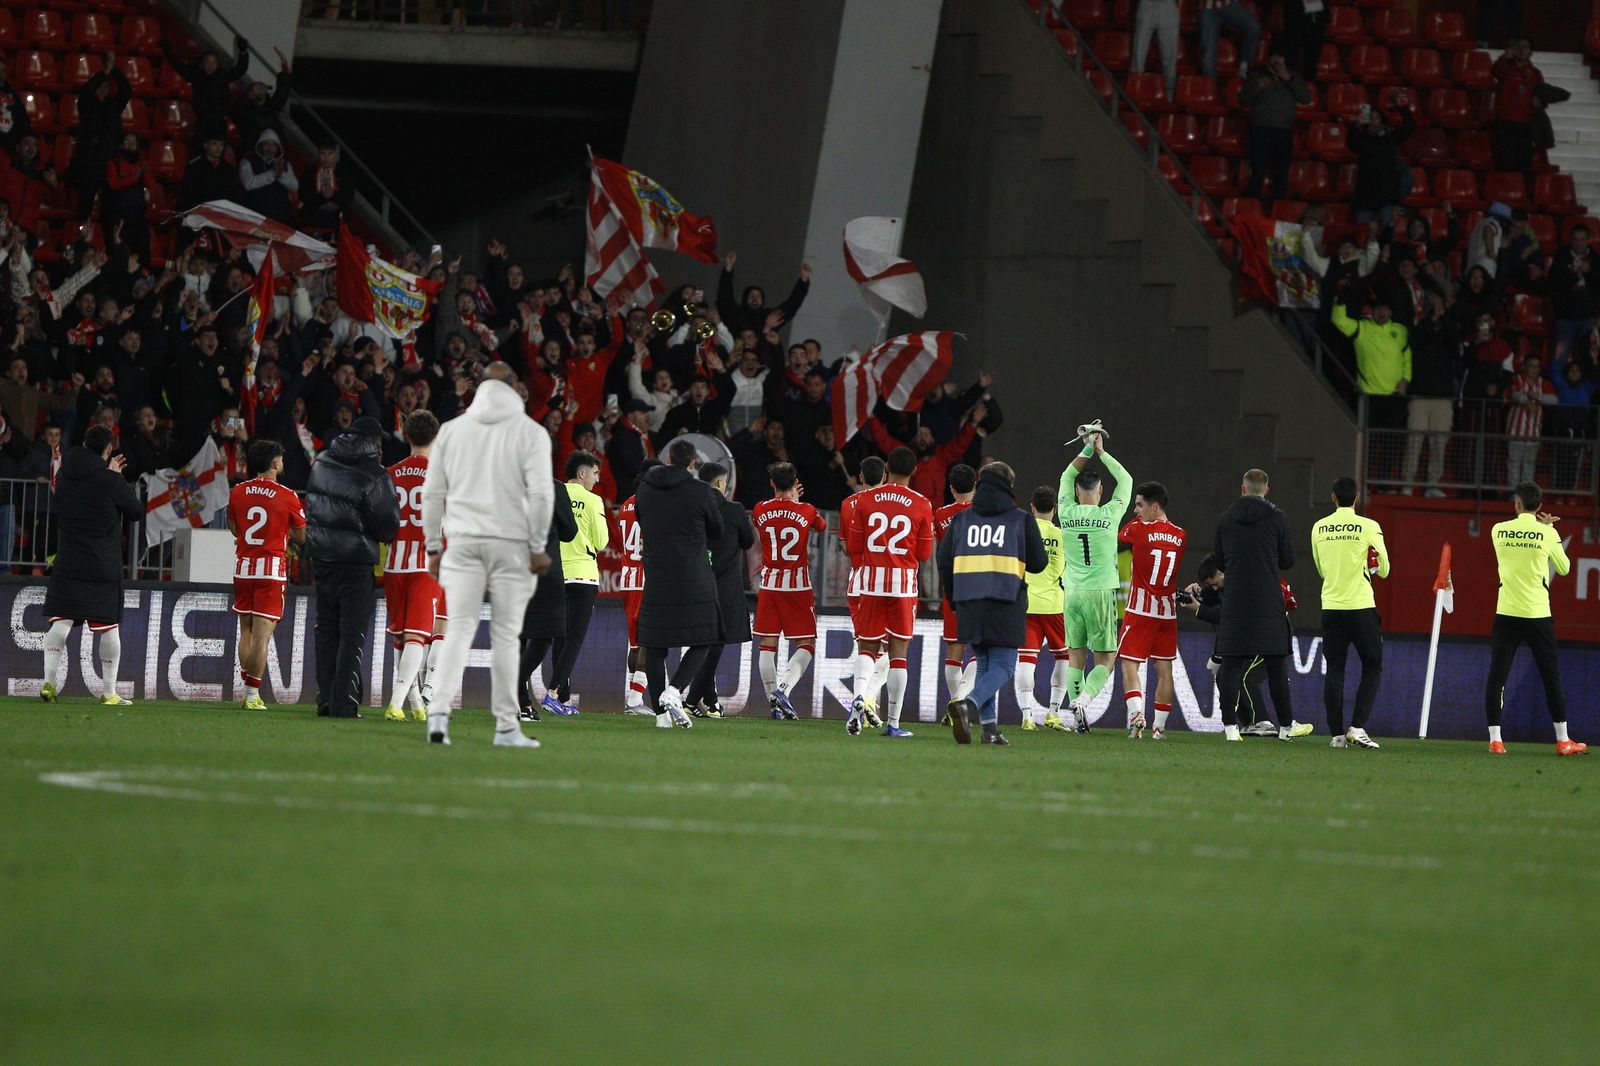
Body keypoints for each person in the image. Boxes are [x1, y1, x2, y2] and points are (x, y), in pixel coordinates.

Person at [421, 362, 554, 748]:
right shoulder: (531, 432)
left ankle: (439, 718)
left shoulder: (453, 430)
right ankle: (506, 727)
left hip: (462, 542)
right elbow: (542, 495)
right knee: (507, 636)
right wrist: (537, 545)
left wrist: (433, 546)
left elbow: (432, 494)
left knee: (458, 629)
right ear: (515, 387)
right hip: (511, 544)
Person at [939, 461, 1048, 746]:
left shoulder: (961, 520)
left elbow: (943, 559)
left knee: (985, 662)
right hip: (1005, 599)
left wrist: (954, 598)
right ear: (1008, 486)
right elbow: (1038, 563)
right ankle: (968, 704)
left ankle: (989, 730)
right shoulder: (1020, 519)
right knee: (1004, 665)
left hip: (968, 601)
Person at [305, 415, 399, 719]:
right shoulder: (375, 474)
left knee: (327, 629)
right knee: (351, 634)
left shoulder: (321, 462)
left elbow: (314, 507)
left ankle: (326, 699)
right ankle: (344, 702)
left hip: (322, 558)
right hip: (356, 563)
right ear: (373, 443)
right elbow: (387, 526)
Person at [38, 425, 141, 705]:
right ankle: (108, 692)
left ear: (83, 444)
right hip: (101, 565)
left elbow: (60, 502)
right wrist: (117, 479)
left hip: (69, 562)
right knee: (109, 628)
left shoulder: (64, 474)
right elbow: (135, 511)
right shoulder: (109, 479)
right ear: (108, 450)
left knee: (61, 622)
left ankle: (48, 682)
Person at [1484, 481, 1584, 755]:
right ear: (1540, 506)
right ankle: (1563, 741)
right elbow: (1563, 569)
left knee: (1498, 677)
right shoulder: (1547, 534)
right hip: (1538, 614)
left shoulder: (1498, 530)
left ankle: (1495, 740)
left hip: (1506, 612)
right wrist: (1549, 530)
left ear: (1517, 503)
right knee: (1551, 676)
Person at [1214, 468, 1313, 742]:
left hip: (1235, 603)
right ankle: (1284, 729)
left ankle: (1231, 729)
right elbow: (1288, 560)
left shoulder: (1225, 520)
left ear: (1242, 488)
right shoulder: (1277, 518)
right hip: (1268, 602)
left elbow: (1220, 562)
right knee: (1276, 667)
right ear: (1266, 490)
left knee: (1232, 666)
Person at [634, 438, 725, 728]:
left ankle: (662, 716)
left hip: (657, 576)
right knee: (707, 636)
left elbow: (641, 519)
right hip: (693, 576)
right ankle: (674, 691)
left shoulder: (645, 490)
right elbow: (718, 530)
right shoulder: (700, 492)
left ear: (668, 457)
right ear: (692, 463)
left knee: (655, 644)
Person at [845, 446, 935, 738]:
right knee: (898, 655)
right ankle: (894, 723)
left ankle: (858, 696)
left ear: (886, 468)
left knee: (867, 648)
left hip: (870, 583)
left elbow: (855, 547)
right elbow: (924, 553)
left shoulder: (865, 500)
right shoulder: (922, 503)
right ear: (914, 471)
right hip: (903, 586)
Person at [1055, 428, 1130, 733]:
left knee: (1076, 656)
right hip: (1100, 593)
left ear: (1075, 492)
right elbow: (1125, 480)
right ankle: (1083, 701)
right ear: (1100, 493)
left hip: (1071, 591)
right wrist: (1100, 450)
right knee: (1106, 657)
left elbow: (1064, 475)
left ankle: (1077, 719)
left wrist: (1085, 450)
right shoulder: (1111, 513)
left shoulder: (1065, 511)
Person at [227, 439, 306, 711]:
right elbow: (302, 535)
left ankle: (246, 685)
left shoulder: (237, 491)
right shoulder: (287, 495)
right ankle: (252, 695)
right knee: (263, 635)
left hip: (243, 568)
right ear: (275, 463)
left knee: (246, 631)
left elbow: (233, 527)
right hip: (271, 571)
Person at [1312, 477, 1390, 749]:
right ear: (1357, 497)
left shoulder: (1319, 527)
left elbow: (1321, 569)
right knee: (1372, 665)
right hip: (1360, 606)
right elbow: (1385, 568)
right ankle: (1357, 727)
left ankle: (1335, 735)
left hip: (1331, 606)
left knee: (1335, 668)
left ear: (1332, 497)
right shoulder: (1369, 526)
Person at [380, 411, 445, 723]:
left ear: (406, 436)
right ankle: (395, 703)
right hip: (425, 565)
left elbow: (380, 519)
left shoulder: (389, 474)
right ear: (436, 438)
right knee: (418, 637)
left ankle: (416, 704)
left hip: (394, 564)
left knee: (401, 636)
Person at [752, 461, 827, 719]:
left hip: (769, 585)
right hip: (797, 586)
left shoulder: (760, 509)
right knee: (807, 643)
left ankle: (774, 703)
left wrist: (787, 500)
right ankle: (783, 690)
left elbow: (765, 519)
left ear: (772, 483)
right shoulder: (806, 510)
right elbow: (822, 526)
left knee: (767, 645)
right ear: (795, 483)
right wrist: (795, 501)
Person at [1116, 481, 1187, 740]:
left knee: (1129, 665)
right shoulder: (1181, 535)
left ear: (1154, 506)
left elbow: (1118, 537)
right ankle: (1159, 728)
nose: (1136, 511)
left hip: (1140, 610)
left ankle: (1136, 715)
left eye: (1140, 505)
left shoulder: (1138, 529)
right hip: (1167, 613)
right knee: (1164, 670)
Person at [685, 462, 755, 717]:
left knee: (703, 642)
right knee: (715, 644)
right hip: (725, 588)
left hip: (695, 583)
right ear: (719, 484)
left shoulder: (692, 509)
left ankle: (710, 699)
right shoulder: (734, 510)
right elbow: (748, 542)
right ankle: (691, 699)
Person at [545, 450, 609, 715]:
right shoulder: (592, 500)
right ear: (582, 473)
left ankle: (564, 698)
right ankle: (551, 693)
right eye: (595, 473)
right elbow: (602, 542)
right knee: (574, 640)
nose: (597, 478)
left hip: (555, 572)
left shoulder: (553, 495)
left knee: (560, 636)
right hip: (583, 575)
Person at [517, 480, 578, 723]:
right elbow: (569, 531)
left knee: (517, 637)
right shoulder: (553, 487)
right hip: (544, 570)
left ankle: (520, 703)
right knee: (545, 635)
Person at [840, 455, 888, 729]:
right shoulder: (893, 505)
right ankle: (868, 698)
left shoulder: (849, 504)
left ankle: (864, 700)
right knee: (889, 650)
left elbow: (848, 548)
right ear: (884, 476)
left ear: (860, 477)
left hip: (858, 581)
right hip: (885, 584)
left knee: (865, 645)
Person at [1017, 487, 1070, 732]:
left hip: (1026, 603)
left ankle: (1027, 717)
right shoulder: (1063, 535)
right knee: (1063, 657)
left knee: (1027, 660)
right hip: (1054, 604)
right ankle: (1053, 713)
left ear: (1032, 506)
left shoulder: (1022, 531)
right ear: (1055, 509)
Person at [1402, 292, 1458, 497]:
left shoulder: (1449, 325)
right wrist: (1431, 318)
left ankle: (1433, 484)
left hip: (1442, 397)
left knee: (1439, 442)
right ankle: (1408, 482)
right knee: (1414, 440)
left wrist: (1442, 316)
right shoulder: (1421, 325)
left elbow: (1454, 342)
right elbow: (1416, 340)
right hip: (1419, 395)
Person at [614, 458, 658, 715]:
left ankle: (636, 696)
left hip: (627, 577)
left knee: (635, 643)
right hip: (646, 577)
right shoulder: (651, 504)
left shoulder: (627, 504)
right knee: (649, 641)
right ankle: (634, 700)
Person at [1240, 55, 1311, 207]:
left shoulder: (1293, 76)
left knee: (1281, 174)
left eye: (1281, 58)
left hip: (1283, 131)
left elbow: (1306, 98)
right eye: (1275, 58)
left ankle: (1279, 211)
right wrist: (1257, 87)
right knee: (1257, 171)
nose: (1278, 61)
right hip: (1260, 130)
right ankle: (1252, 209)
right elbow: (1243, 99)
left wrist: (1288, 78)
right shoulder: (1256, 75)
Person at [933, 464, 977, 707]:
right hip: (981, 587)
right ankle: (960, 700)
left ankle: (955, 703)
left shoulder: (940, 515)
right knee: (983, 650)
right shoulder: (985, 514)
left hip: (953, 588)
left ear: (951, 488)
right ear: (975, 484)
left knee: (954, 652)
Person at [1331, 298, 1411, 429]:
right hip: (1369, 397)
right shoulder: (1362, 328)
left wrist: (1406, 379)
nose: (1380, 312)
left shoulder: (1401, 330)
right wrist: (1340, 302)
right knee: (1367, 439)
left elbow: (1407, 357)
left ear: (1390, 311)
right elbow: (1339, 321)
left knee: (1391, 442)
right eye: (1377, 309)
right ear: (1372, 312)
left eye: (1384, 308)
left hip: (1394, 396)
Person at [1349, 104, 1416, 228]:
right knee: (1362, 234)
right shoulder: (1362, 139)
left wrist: (1402, 108)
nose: (1373, 120)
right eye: (1371, 117)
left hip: (1387, 195)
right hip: (1365, 195)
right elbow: (1351, 143)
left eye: (1376, 117)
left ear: (1381, 120)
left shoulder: (1390, 138)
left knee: (1387, 233)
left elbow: (1409, 127)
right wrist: (1353, 126)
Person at [1490, 37, 1542, 180]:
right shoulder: (1505, 67)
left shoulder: (1535, 73)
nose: (1521, 49)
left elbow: (1540, 94)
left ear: (1531, 52)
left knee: (1523, 164)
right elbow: (1495, 71)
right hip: (1505, 122)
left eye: (1525, 47)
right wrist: (1504, 57)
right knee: (1503, 162)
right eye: (1517, 46)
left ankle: (1519, 195)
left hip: (1525, 124)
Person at [1546, 224, 1599, 364]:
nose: (1578, 243)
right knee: (1559, 358)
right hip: (1565, 317)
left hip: (1588, 318)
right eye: (1575, 239)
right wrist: (1574, 275)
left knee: (1590, 359)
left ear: (1588, 240)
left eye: (1582, 239)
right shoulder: (1561, 256)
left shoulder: (1596, 258)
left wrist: (1589, 273)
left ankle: (1587, 386)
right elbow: (1552, 285)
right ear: (1571, 240)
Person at [1505, 353, 1556, 487]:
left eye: (1537, 367)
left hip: (1534, 432)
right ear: (1525, 367)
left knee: (1529, 464)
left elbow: (1554, 400)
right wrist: (1526, 401)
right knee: (1514, 462)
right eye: (1531, 366)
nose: (1534, 369)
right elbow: (1515, 394)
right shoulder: (1518, 380)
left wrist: (1537, 396)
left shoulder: (1543, 383)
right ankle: (1512, 491)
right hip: (1516, 430)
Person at [1132, 0, 1181, 101]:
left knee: (1169, 57)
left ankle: (1169, 97)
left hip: (1168, 4)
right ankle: (1134, 92)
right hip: (1147, 4)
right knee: (1138, 55)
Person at [1200, 1, 1261, 80]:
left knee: (1254, 27)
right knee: (1209, 55)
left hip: (1228, 5)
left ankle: (1244, 63)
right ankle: (1210, 89)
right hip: (1208, 8)